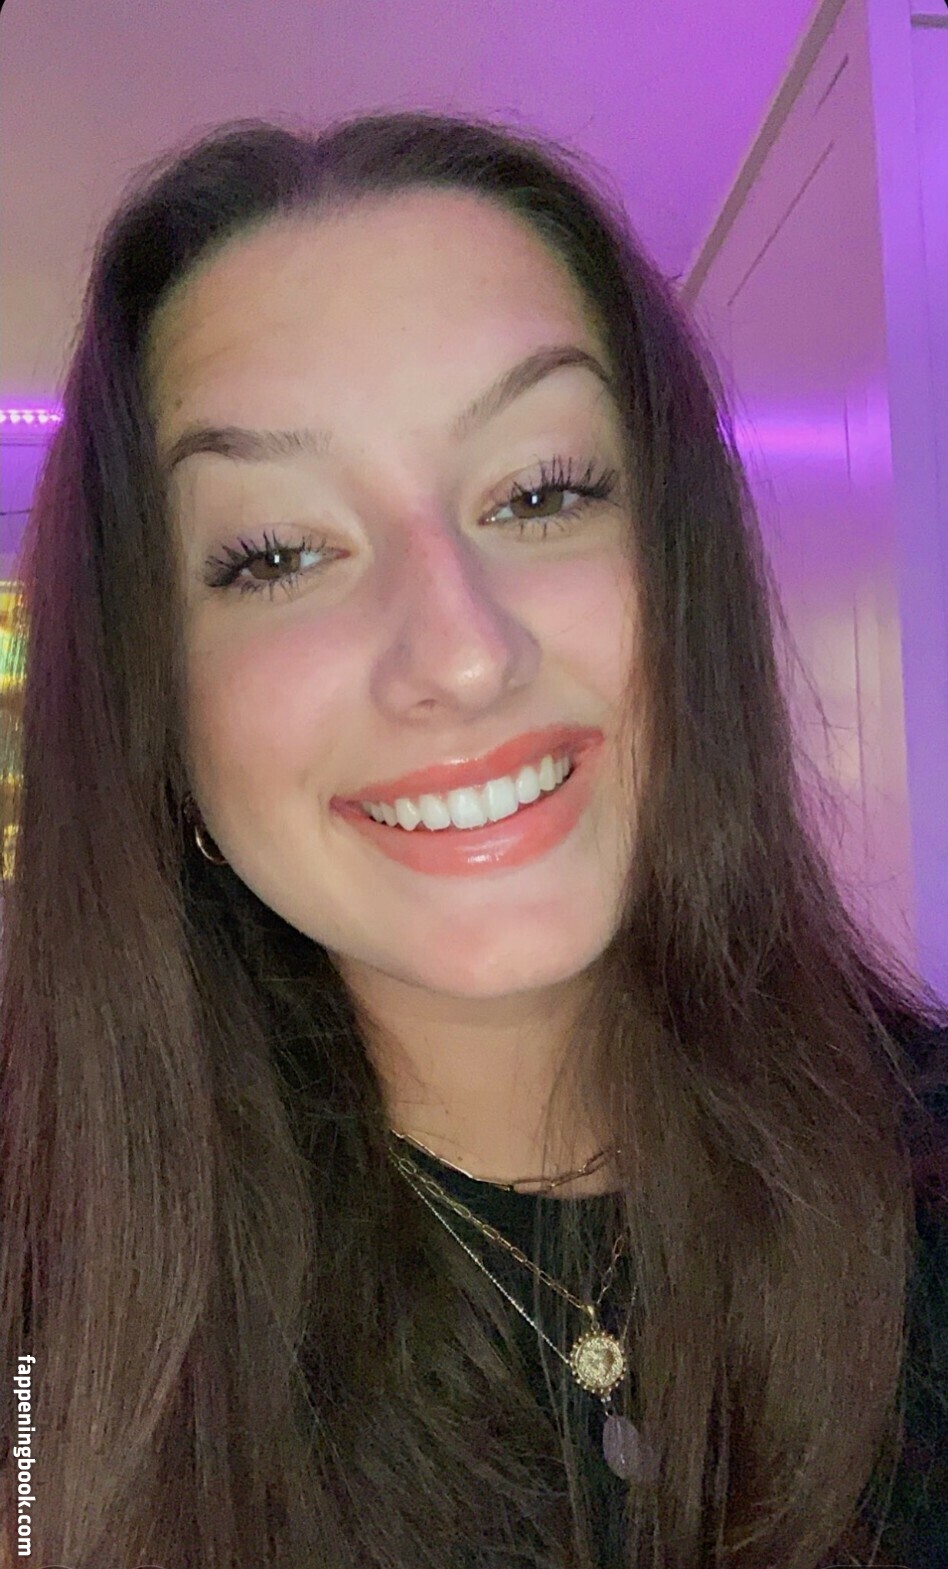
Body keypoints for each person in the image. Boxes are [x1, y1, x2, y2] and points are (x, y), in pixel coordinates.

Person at [0, 110, 945, 1569]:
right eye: (278, 555)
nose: (459, 650)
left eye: (541, 491)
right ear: (153, 709)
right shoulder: (48, 1334)